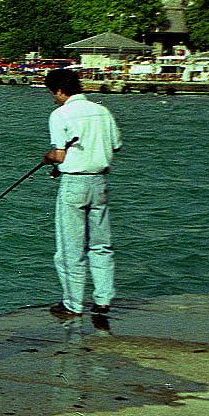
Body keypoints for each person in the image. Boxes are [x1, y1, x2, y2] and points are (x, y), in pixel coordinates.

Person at [41, 68, 123, 318]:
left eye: (52, 93)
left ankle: (73, 303)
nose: (53, 98)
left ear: (59, 91)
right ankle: (103, 300)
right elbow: (116, 145)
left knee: (70, 247)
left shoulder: (60, 114)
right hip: (100, 182)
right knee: (101, 244)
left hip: (74, 183)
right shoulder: (102, 110)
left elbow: (59, 154)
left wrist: (47, 158)